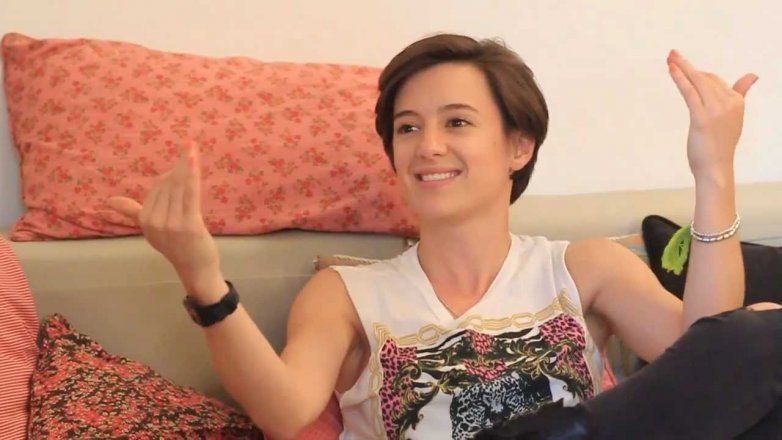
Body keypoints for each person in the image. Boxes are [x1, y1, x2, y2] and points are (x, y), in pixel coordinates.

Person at [107, 34, 781, 439]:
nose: (427, 145)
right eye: (408, 127)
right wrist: (204, 281)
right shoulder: (346, 292)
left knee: (760, 340)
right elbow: (285, 413)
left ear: (518, 146)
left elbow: (710, 358)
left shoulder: (585, 267)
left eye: (456, 122)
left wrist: (713, 169)